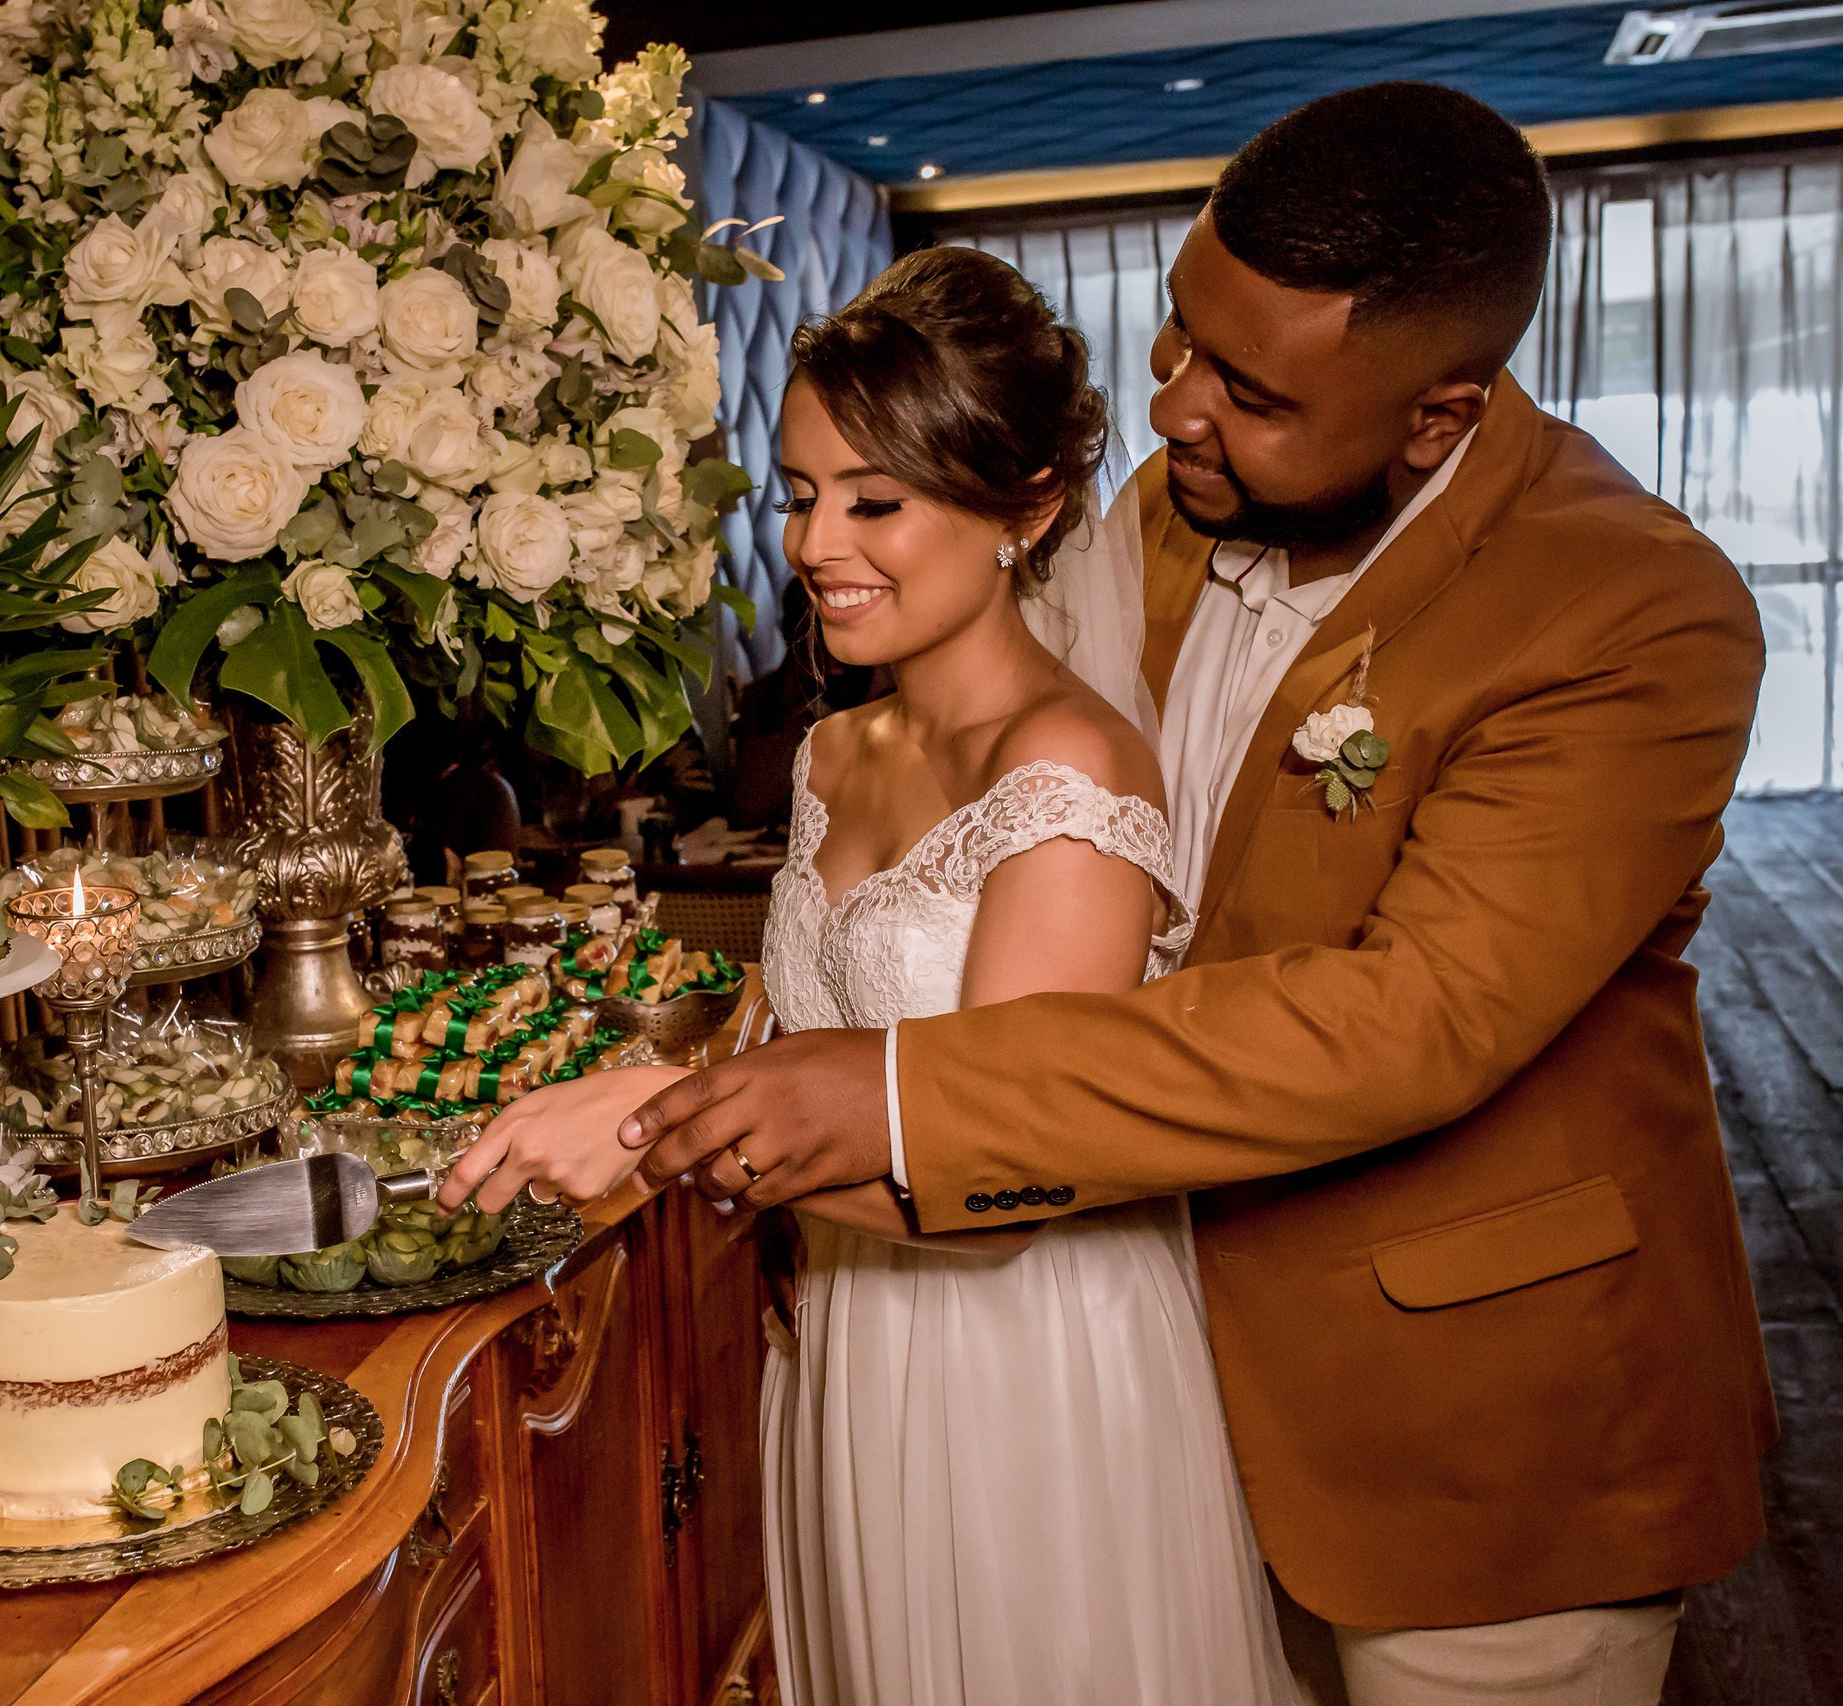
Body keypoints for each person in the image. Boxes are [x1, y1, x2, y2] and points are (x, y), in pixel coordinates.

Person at [448, 82, 1773, 1706]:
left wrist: (825, 1095)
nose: (1179, 410)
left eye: (1252, 392)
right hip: (1135, 1366)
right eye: (1175, 340)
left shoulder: (1629, 611)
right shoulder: (1156, 515)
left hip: (1466, 1426)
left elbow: (1406, 1024)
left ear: (1438, 413)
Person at [446, 241, 1296, 1702]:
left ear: (1025, 511)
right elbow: (800, 1026)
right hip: (844, 1329)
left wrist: (658, 1129)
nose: (816, 542)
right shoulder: (839, 750)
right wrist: (650, 1083)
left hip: (1019, 1368)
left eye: (876, 501)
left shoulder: (1071, 776)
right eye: (799, 494)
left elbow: (1004, 1190)